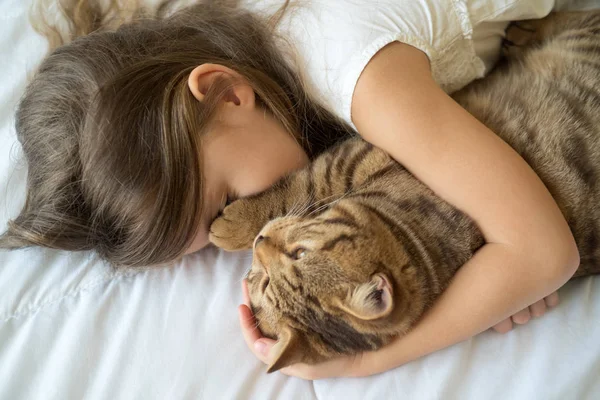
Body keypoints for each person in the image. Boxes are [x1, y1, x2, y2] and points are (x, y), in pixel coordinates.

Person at [0, 0, 579, 379]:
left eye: (228, 207)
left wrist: (363, 362)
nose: (251, 237)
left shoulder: (359, 75)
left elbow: (543, 252)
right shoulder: (251, 65)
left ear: (226, 92)